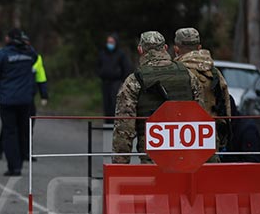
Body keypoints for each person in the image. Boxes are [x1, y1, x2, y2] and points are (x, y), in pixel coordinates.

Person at [112, 31, 200, 164]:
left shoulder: (134, 80)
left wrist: (120, 164)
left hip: (153, 152)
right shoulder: (188, 75)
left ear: (140, 50)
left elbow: (124, 126)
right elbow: (201, 114)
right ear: (165, 48)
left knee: (156, 183)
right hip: (186, 147)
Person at [0, 28, 44, 176]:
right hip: (25, 100)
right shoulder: (29, 54)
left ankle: (14, 167)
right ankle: (21, 158)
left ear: (8, 39)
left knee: (10, 132)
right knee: (23, 131)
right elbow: (35, 56)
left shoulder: (2, 55)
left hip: (8, 100)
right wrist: (26, 45)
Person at [173, 27, 232, 151]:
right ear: (199, 48)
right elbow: (226, 105)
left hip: (179, 137)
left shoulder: (174, 72)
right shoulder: (214, 72)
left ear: (176, 49)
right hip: (209, 136)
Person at [0, 35, 48, 161]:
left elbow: (41, 77)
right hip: (12, 96)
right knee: (9, 127)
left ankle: (26, 153)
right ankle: (0, 150)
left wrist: (44, 95)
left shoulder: (35, 57)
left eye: (28, 42)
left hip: (28, 97)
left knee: (27, 127)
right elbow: (0, 76)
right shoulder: (11, 56)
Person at [96, 33, 132, 119]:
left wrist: (122, 81)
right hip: (105, 82)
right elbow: (97, 66)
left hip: (116, 83)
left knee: (115, 104)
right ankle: (107, 123)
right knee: (106, 104)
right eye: (108, 42)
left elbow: (126, 68)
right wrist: (101, 74)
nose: (109, 44)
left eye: (111, 42)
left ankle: (114, 123)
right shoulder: (102, 54)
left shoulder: (121, 54)